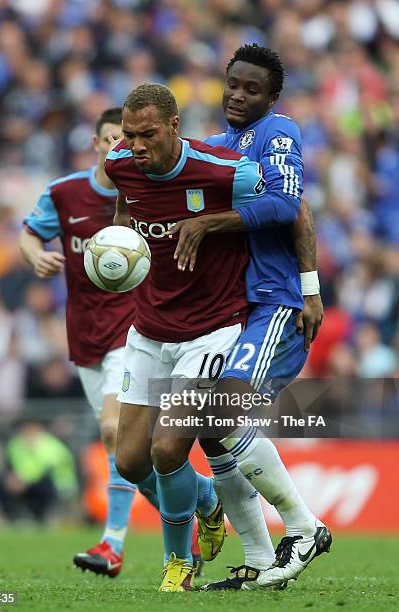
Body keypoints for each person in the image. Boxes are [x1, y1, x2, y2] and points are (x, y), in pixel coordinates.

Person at [105, 82, 302, 592]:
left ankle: (179, 563)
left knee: (168, 449)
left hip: (210, 330)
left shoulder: (222, 170)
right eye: (129, 135)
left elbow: (291, 206)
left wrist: (309, 286)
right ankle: (210, 502)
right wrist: (119, 248)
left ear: (174, 126)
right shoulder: (121, 165)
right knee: (129, 460)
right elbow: (127, 212)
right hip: (148, 329)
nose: (136, 145)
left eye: (146, 134)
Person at [167, 44, 331, 589]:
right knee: (210, 431)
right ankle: (260, 560)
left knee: (221, 416)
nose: (238, 95)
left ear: (272, 96)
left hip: (276, 304)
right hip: (236, 311)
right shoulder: (219, 146)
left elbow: (290, 207)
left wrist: (309, 289)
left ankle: (305, 528)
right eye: (233, 84)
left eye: (252, 88)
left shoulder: (277, 133)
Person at [19, 108, 141, 577]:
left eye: (124, 141)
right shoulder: (64, 192)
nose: (116, 148)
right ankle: (200, 500)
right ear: (96, 143)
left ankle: (112, 543)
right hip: (84, 331)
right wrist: (36, 257)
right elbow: (29, 235)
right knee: (125, 450)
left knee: (113, 430)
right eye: (110, 139)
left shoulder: (142, 196)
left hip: (130, 329)